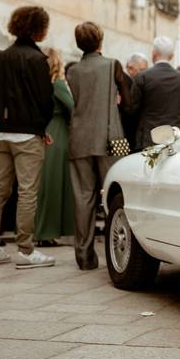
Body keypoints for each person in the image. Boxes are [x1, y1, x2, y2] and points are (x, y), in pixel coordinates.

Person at [0, 6, 55, 269]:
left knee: (0, 189)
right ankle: (25, 250)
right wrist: (41, 127)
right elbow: (46, 101)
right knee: (27, 192)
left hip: (3, 132)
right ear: (39, 28)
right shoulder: (37, 60)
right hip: (28, 134)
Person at [67, 22, 128, 269]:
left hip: (79, 137)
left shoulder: (72, 70)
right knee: (117, 193)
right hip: (112, 137)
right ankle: (119, 252)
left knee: (83, 197)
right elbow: (130, 101)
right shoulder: (113, 65)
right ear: (101, 40)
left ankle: (84, 255)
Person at [34, 49, 75, 247]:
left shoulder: (37, 83)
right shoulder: (57, 84)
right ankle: (46, 232)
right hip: (58, 134)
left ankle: (40, 231)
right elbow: (73, 108)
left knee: (42, 185)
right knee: (54, 184)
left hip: (42, 131)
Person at [129, 36, 180, 151]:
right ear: (171, 56)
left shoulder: (142, 77)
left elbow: (133, 110)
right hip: (177, 140)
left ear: (153, 54)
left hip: (148, 139)